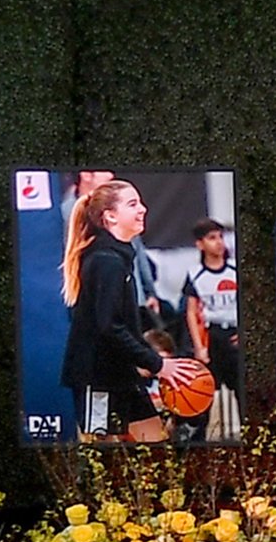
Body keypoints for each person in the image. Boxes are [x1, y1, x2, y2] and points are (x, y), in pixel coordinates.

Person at [58, 179, 202, 442]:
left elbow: (121, 327)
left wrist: (151, 362)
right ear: (110, 216)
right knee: (99, 458)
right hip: (97, 379)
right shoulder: (105, 261)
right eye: (133, 203)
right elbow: (109, 327)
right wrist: (158, 364)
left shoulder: (119, 257)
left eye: (142, 202)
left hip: (123, 375)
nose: (143, 209)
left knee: (156, 445)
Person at [182, 218, 240, 441]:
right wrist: (199, 347)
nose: (218, 243)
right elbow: (191, 311)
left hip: (234, 333)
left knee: (242, 392)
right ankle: (198, 442)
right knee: (204, 393)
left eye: (220, 237)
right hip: (211, 335)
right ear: (200, 244)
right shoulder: (196, 274)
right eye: (212, 238)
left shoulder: (235, 269)